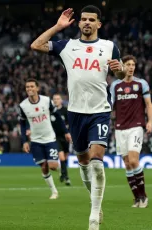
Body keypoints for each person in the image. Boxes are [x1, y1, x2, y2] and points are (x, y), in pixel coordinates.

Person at [30, 6, 126, 229]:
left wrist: (119, 69)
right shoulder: (68, 46)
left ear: (99, 24)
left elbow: (120, 75)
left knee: (97, 163)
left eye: (91, 20)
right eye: (83, 19)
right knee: (83, 164)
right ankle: (96, 203)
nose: (86, 23)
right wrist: (58, 26)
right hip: (75, 113)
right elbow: (36, 45)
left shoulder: (109, 47)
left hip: (99, 111)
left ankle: (93, 217)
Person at [109, 55, 152, 208]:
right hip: (120, 128)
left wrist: (150, 122)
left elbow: (149, 104)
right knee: (127, 165)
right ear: (122, 66)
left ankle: (143, 196)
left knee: (134, 161)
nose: (131, 67)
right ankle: (136, 198)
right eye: (128, 64)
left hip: (136, 126)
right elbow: (110, 105)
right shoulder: (115, 86)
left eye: (133, 65)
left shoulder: (141, 84)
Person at [19, 79, 68, 199]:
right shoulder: (23, 105)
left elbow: (57, 116)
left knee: (52, 166)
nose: (29, 89)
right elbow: (22, 123)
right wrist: (25, 140)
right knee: (44, 167)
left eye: (31, 86)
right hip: (35, 141)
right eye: (27, 87)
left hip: (50, 138)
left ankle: (61, 169)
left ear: (37, 88)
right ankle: (54, 191)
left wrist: (66, 132)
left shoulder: (46, 101)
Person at [52, 93, 72, 186]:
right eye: (54, 99)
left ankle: (64, 174)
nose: (56, 100)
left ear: (61, 100)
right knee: (61, 157)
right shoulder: (51, 111)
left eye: (57, 99)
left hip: (65, 136)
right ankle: (65, 176)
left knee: (65, 157)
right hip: (55, 137)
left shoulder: (65, 111)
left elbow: (71, 123)